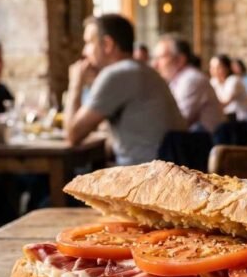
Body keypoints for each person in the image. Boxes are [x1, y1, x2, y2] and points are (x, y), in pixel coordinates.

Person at [65, 14, 186, 166]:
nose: (84, 51)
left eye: (89, 42)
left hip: (144, 176)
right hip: (171, 168)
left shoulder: (116, 74)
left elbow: (72, 135)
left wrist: (75, 83)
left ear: (107, 44)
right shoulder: (144, 71)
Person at [152, 34, 224, 133]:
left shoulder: (191, 80)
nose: (155, 64)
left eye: (161, 57)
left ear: (180, 60)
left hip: (206, 145)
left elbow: (176, 122)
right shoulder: (177, 81)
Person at [209, 54, 247, 121]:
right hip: (227, 118)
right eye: (212, 68)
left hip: (240, 120)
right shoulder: (214, 82)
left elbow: (224, 102)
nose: (214, 71)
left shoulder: (234, 80)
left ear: (227, 68)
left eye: (218, 68)